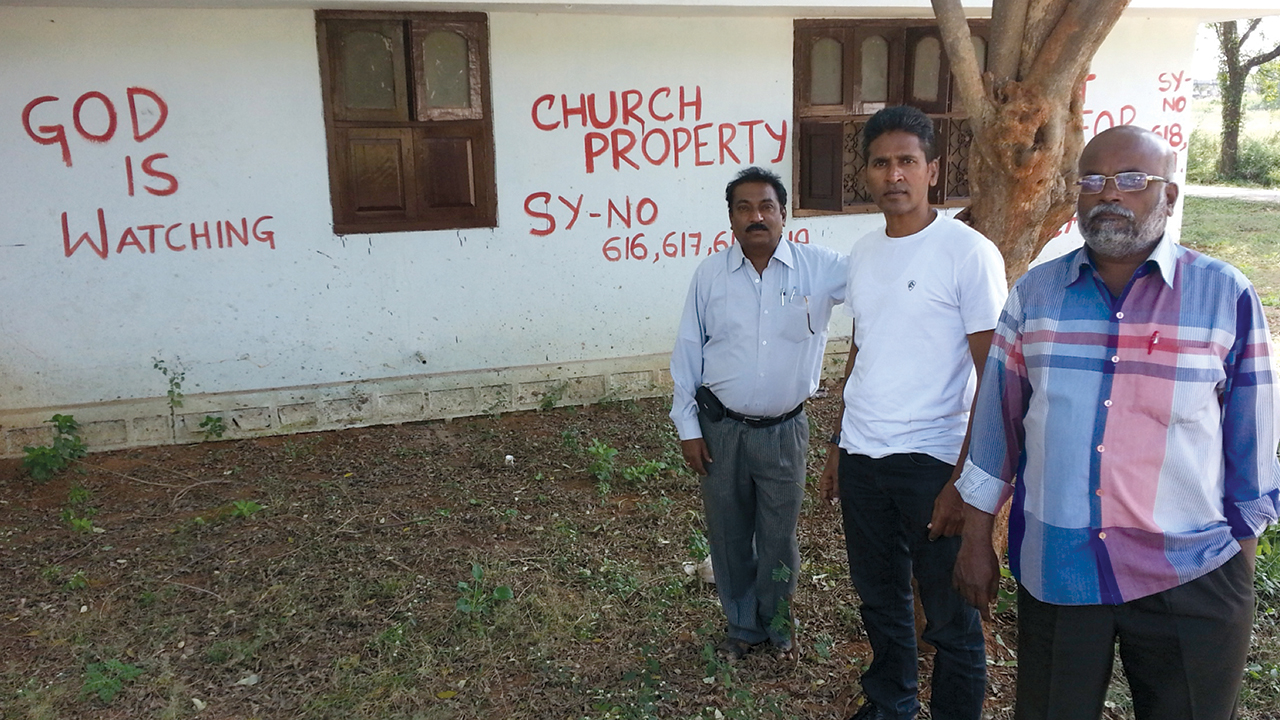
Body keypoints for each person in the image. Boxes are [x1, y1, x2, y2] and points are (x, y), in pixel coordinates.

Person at [953, 124, 1280, 720]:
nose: (1110, 195)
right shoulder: (1036, 296)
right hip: (1060, 566)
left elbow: (1252, 447)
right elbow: (998, 427)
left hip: (1191, 567)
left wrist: (1236, 567)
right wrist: (976, 537)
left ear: (1170, 195)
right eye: (1093, 181)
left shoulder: (1224, 296)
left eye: (1132, 180)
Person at [817, 105, 1007, 720]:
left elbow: (992, 377)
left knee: (951, 619)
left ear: (932, 170)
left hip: (932, 462)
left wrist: (963, 480)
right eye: (880, 163)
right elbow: (862, 352)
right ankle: (890, 703)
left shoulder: (967, 253)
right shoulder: (865, 253)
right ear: (864, 174)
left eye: (906, 161)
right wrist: (839, 446)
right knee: (879, 600)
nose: (893, 174)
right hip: (866, 459)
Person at [670, 165, 848, 662]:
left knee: (778, 539)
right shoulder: (709, 276)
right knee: (728, 535)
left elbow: (883, 277)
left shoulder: (822, 269)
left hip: (785, 432)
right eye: (744, 208)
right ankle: (742, 626)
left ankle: (778, 623)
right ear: (730, 218)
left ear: (783, 214)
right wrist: (688, 428)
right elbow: (687, 353)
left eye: (766, 206)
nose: (756, 217)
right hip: (721, 429)